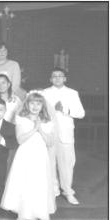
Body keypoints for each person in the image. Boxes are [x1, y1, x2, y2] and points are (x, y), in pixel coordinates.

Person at [1, 91, 57, 220]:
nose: (35, 106)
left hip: (40, 157)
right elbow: (20, 139)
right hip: (25, 155)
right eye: (32, 103)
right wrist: (35, 128)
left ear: (42, 105)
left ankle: (33, 217)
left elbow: (50, 142)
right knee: (25, 184)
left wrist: (41, 129)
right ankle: (21, 218)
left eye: (38, 103)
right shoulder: (21, 118)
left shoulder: (47, 120)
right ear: (27, 104)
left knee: (37, 185)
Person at [43, 68, 85, 205]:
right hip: (49, 132)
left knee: (67, 164)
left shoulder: (72, 93)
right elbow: (39, 111)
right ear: (50, 79)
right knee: (49, 163)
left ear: (65, 78)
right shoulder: (45, 93)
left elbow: (80, 113)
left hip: (65, 134)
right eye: (54, 76)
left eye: (60, 76)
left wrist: (65, 109)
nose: (57, 78)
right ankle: (53, 191)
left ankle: (67, 191)